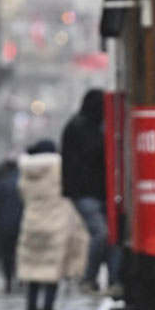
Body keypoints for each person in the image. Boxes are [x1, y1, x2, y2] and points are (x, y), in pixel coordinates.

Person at [16, 140, 88, 310]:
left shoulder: (26, 171)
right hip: (57, 222)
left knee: (32, 270)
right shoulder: (59, 168)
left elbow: (22, 195)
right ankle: (48, 309)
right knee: (52, 270)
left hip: (32, 223)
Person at [61, 89, 120, 294]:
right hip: (87, 192)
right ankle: (90, 278)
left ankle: (113, 279)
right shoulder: (81, 127)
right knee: (103, 234)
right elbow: (93, 154)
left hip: (95, 191)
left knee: (111, 236)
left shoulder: (83, 125)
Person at [0, 158, 23, 294]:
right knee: (20, 252)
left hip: (5, 225)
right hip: (22, 224)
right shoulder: (23, 183)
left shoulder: (0, 184)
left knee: (7, 254)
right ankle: (21, 278)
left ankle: (8, 280)